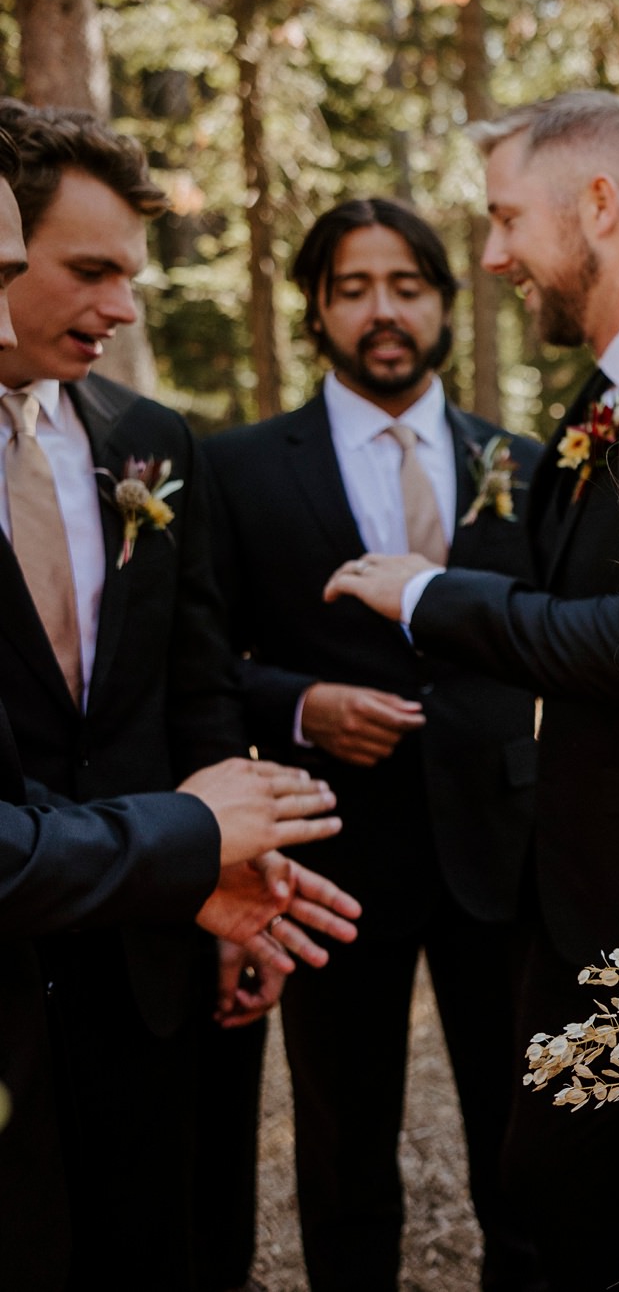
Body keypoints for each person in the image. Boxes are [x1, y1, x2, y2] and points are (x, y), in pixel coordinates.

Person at [323, 90, 619, 1288]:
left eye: (503, 220)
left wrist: (430, 597)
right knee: (558, 1210)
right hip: (579, 888)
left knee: (602, 1214)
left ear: (597, 204)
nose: (489, 256)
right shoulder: (606, 399)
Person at [0, 120, 360, 1292]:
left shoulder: (149, 444)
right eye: (88, 270)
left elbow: (197, 682)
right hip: (11, 927)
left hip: (156, 930)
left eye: (132, 276)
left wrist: (234, 886)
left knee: (162, 1239)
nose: (122, 308)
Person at [206, 196, 544, 1291]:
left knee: (522, 1136)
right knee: (344, 1139)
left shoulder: (525, 464)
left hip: (500, 847)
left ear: (445, 302)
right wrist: (304, 705)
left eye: (404, 286)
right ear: (316, 308)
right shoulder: (240, 467)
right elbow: (204, 666)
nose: (381, 312)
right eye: (352, 290)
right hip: (327, 857)